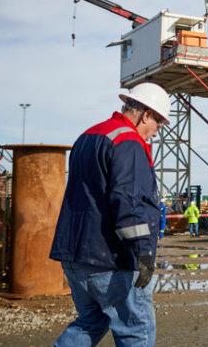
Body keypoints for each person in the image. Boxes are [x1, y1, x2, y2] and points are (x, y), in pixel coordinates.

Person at [49, 82, 171, 347]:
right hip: (111, 259)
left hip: (75, 257)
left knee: (90, 322)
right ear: (146, 114)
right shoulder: (128, 141)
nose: (155, 132)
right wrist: (144, 254)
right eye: (158, 124)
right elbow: (129, 201)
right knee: (136, 331)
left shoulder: (88, 136)